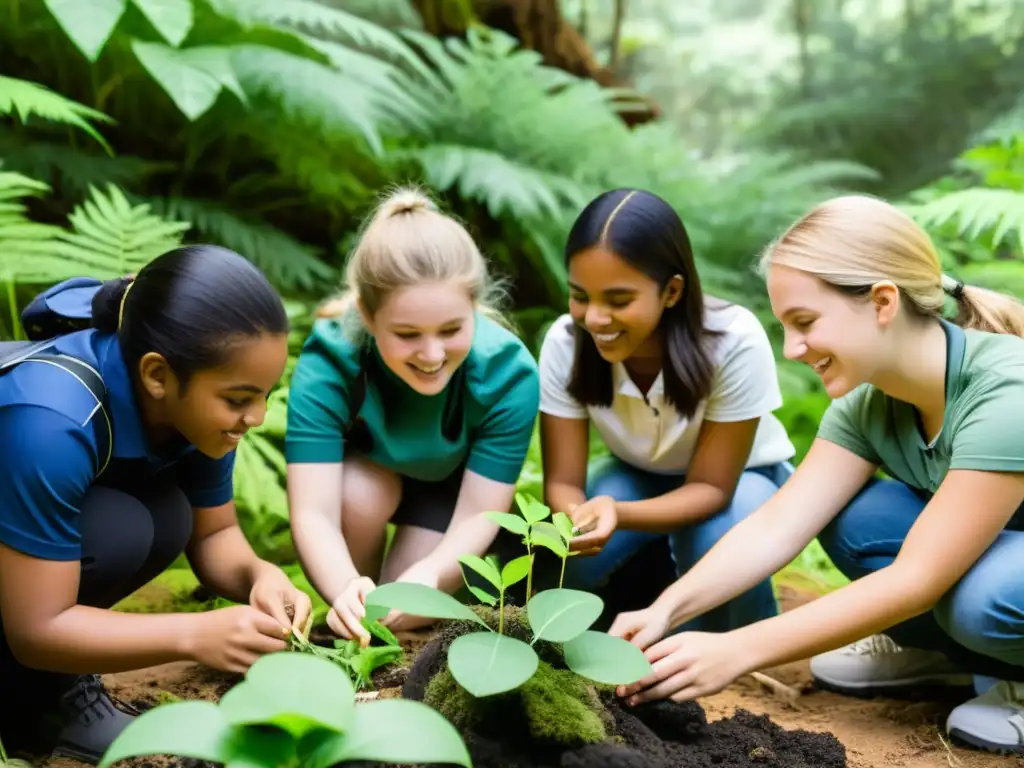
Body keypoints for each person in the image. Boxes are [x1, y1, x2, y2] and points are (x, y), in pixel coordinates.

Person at [609, 194, 1024, 756]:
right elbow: (779, 524)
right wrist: (668, 608)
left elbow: (916, 580)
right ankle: (952, 660)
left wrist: (737, 649)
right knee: (856, 521)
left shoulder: (1005, 391)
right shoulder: (868, 404)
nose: (793, 348)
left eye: (804, 322)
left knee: (982, 600)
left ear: (882, 302)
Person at [0, 245, 313, 764]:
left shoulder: (192, 412)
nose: (256, 417)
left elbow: (213, 536)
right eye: (239, 399)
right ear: (157, 375)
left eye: (264, 395)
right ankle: (33, 703)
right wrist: (195, 634)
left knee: (167, 517)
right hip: (27, 609)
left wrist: (260, 578)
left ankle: (37, 697)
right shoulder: (50, 423)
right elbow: (37, 629)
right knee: (120, 529)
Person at [284, 187, 540, 646]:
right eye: (406, 334)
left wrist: (432, 576)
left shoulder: (508, 374)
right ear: (366, 311)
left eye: (451, 329)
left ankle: (381, 613)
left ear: (474, 308)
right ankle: (349, 618)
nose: (432, 354)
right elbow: (313, 512)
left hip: (452, 491)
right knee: (358, 505)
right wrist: (344, 587)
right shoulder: (331, 357)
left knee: (407, 610)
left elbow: (481, 510)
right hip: (367, 479)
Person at [537, 188, 796, 632]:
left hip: (740, 482)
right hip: (635, 476)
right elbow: (562, 481)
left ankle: (747, 643)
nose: (595, 318)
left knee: (721, 544)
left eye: (618, 301)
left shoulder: (732, 341)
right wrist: (579, 519)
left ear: (672, 290)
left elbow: (712, 488)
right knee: (563, 568)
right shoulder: (566, 342)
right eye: (580, 295)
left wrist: (620, 513)